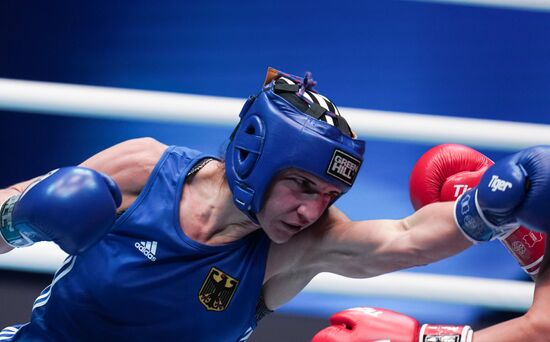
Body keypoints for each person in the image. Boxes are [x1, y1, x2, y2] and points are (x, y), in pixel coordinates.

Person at [0, 67, 549, 341]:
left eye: (330, 195)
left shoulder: (299, 245)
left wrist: (495, 206)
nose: (312, 211)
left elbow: (403, 239)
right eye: (304, 186)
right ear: (254, 156)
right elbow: (7, 212)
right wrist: (18, 222)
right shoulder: (143, 169)